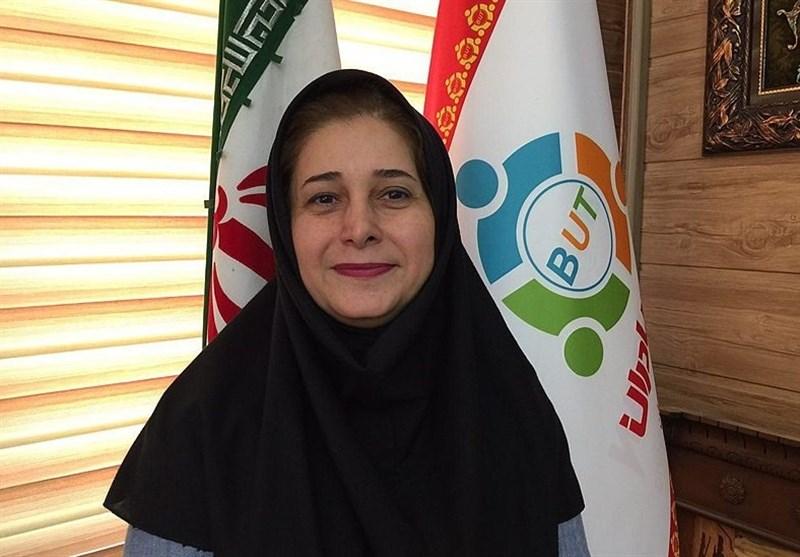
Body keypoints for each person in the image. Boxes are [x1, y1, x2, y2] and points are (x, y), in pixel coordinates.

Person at [105, 69, 591, 556]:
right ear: (286, 225)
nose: (359, 228)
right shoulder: (203, 425)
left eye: (394, 194)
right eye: (324, 199)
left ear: (439, 214)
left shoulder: (512, 405)